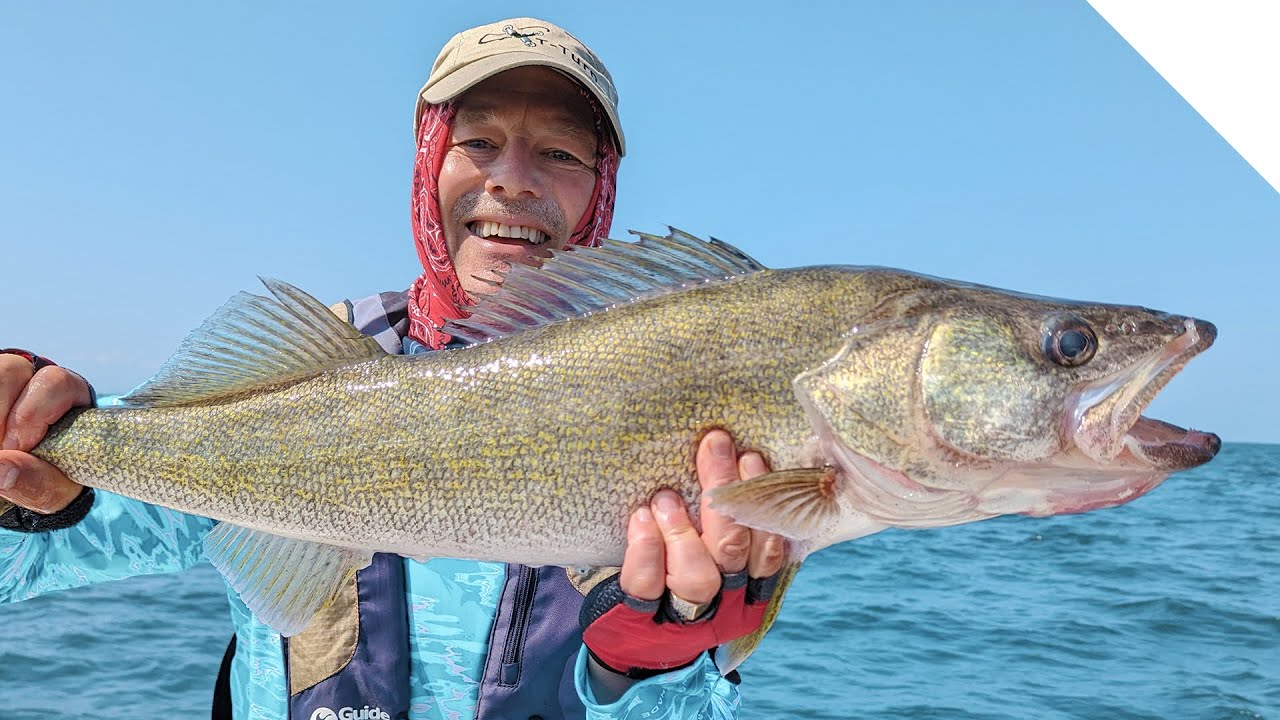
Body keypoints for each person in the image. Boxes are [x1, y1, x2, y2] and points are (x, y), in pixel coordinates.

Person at [0, 17, 786, 720]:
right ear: (428, 159)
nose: (514, 177)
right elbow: (20, 566)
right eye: (477, 142)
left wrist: (651, 667)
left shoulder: (690, 399)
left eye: (559, 151)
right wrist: (22, 475)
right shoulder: (292, 385)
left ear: (600, 187)